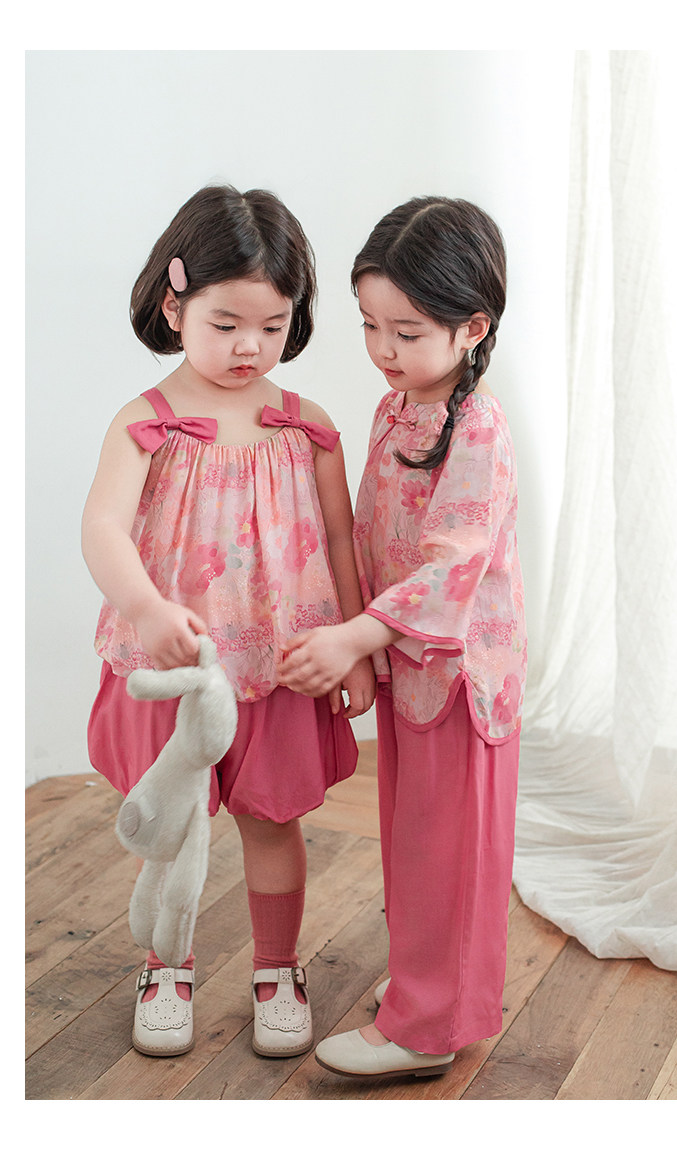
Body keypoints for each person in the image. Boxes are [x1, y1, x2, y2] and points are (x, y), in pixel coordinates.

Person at [82, 185, 375, 1060]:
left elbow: (339, 539)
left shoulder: (308, 428)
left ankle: (277, 968)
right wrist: (145, 607)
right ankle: (164, 965)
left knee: (273, 820)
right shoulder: (146, 425)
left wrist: (357, 648)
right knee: (172, 826)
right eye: (226, 323)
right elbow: (102, 528)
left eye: (273, 325)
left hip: (282, 663)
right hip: (182, 666)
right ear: (174, 306)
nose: (251, 346)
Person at [278, 196, 526, 1080]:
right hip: (408, 661)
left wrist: (356, 636)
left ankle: (427, 1026)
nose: (383, 349)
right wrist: (361, 641)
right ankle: (432, 985)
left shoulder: (479, 427)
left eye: (407, 332)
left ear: (472, 328)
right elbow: (369, 530)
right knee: (417, 839)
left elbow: (451, 565)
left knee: (449, 848)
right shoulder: (399, 406)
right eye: (370, 326)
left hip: (459, 674)